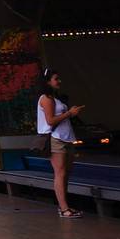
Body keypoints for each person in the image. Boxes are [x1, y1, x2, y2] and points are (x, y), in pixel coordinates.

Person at [37, 69, 84, 218]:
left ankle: (64, 206)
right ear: (48, 82)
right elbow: (50, 120)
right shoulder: (46, 99)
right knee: (60, 173)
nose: (59, 81)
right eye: (56, 79)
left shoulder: (56, 98)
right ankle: (64, 209)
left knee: (66, 173)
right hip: (56, 138)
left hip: (66, 137)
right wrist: (69, 113)